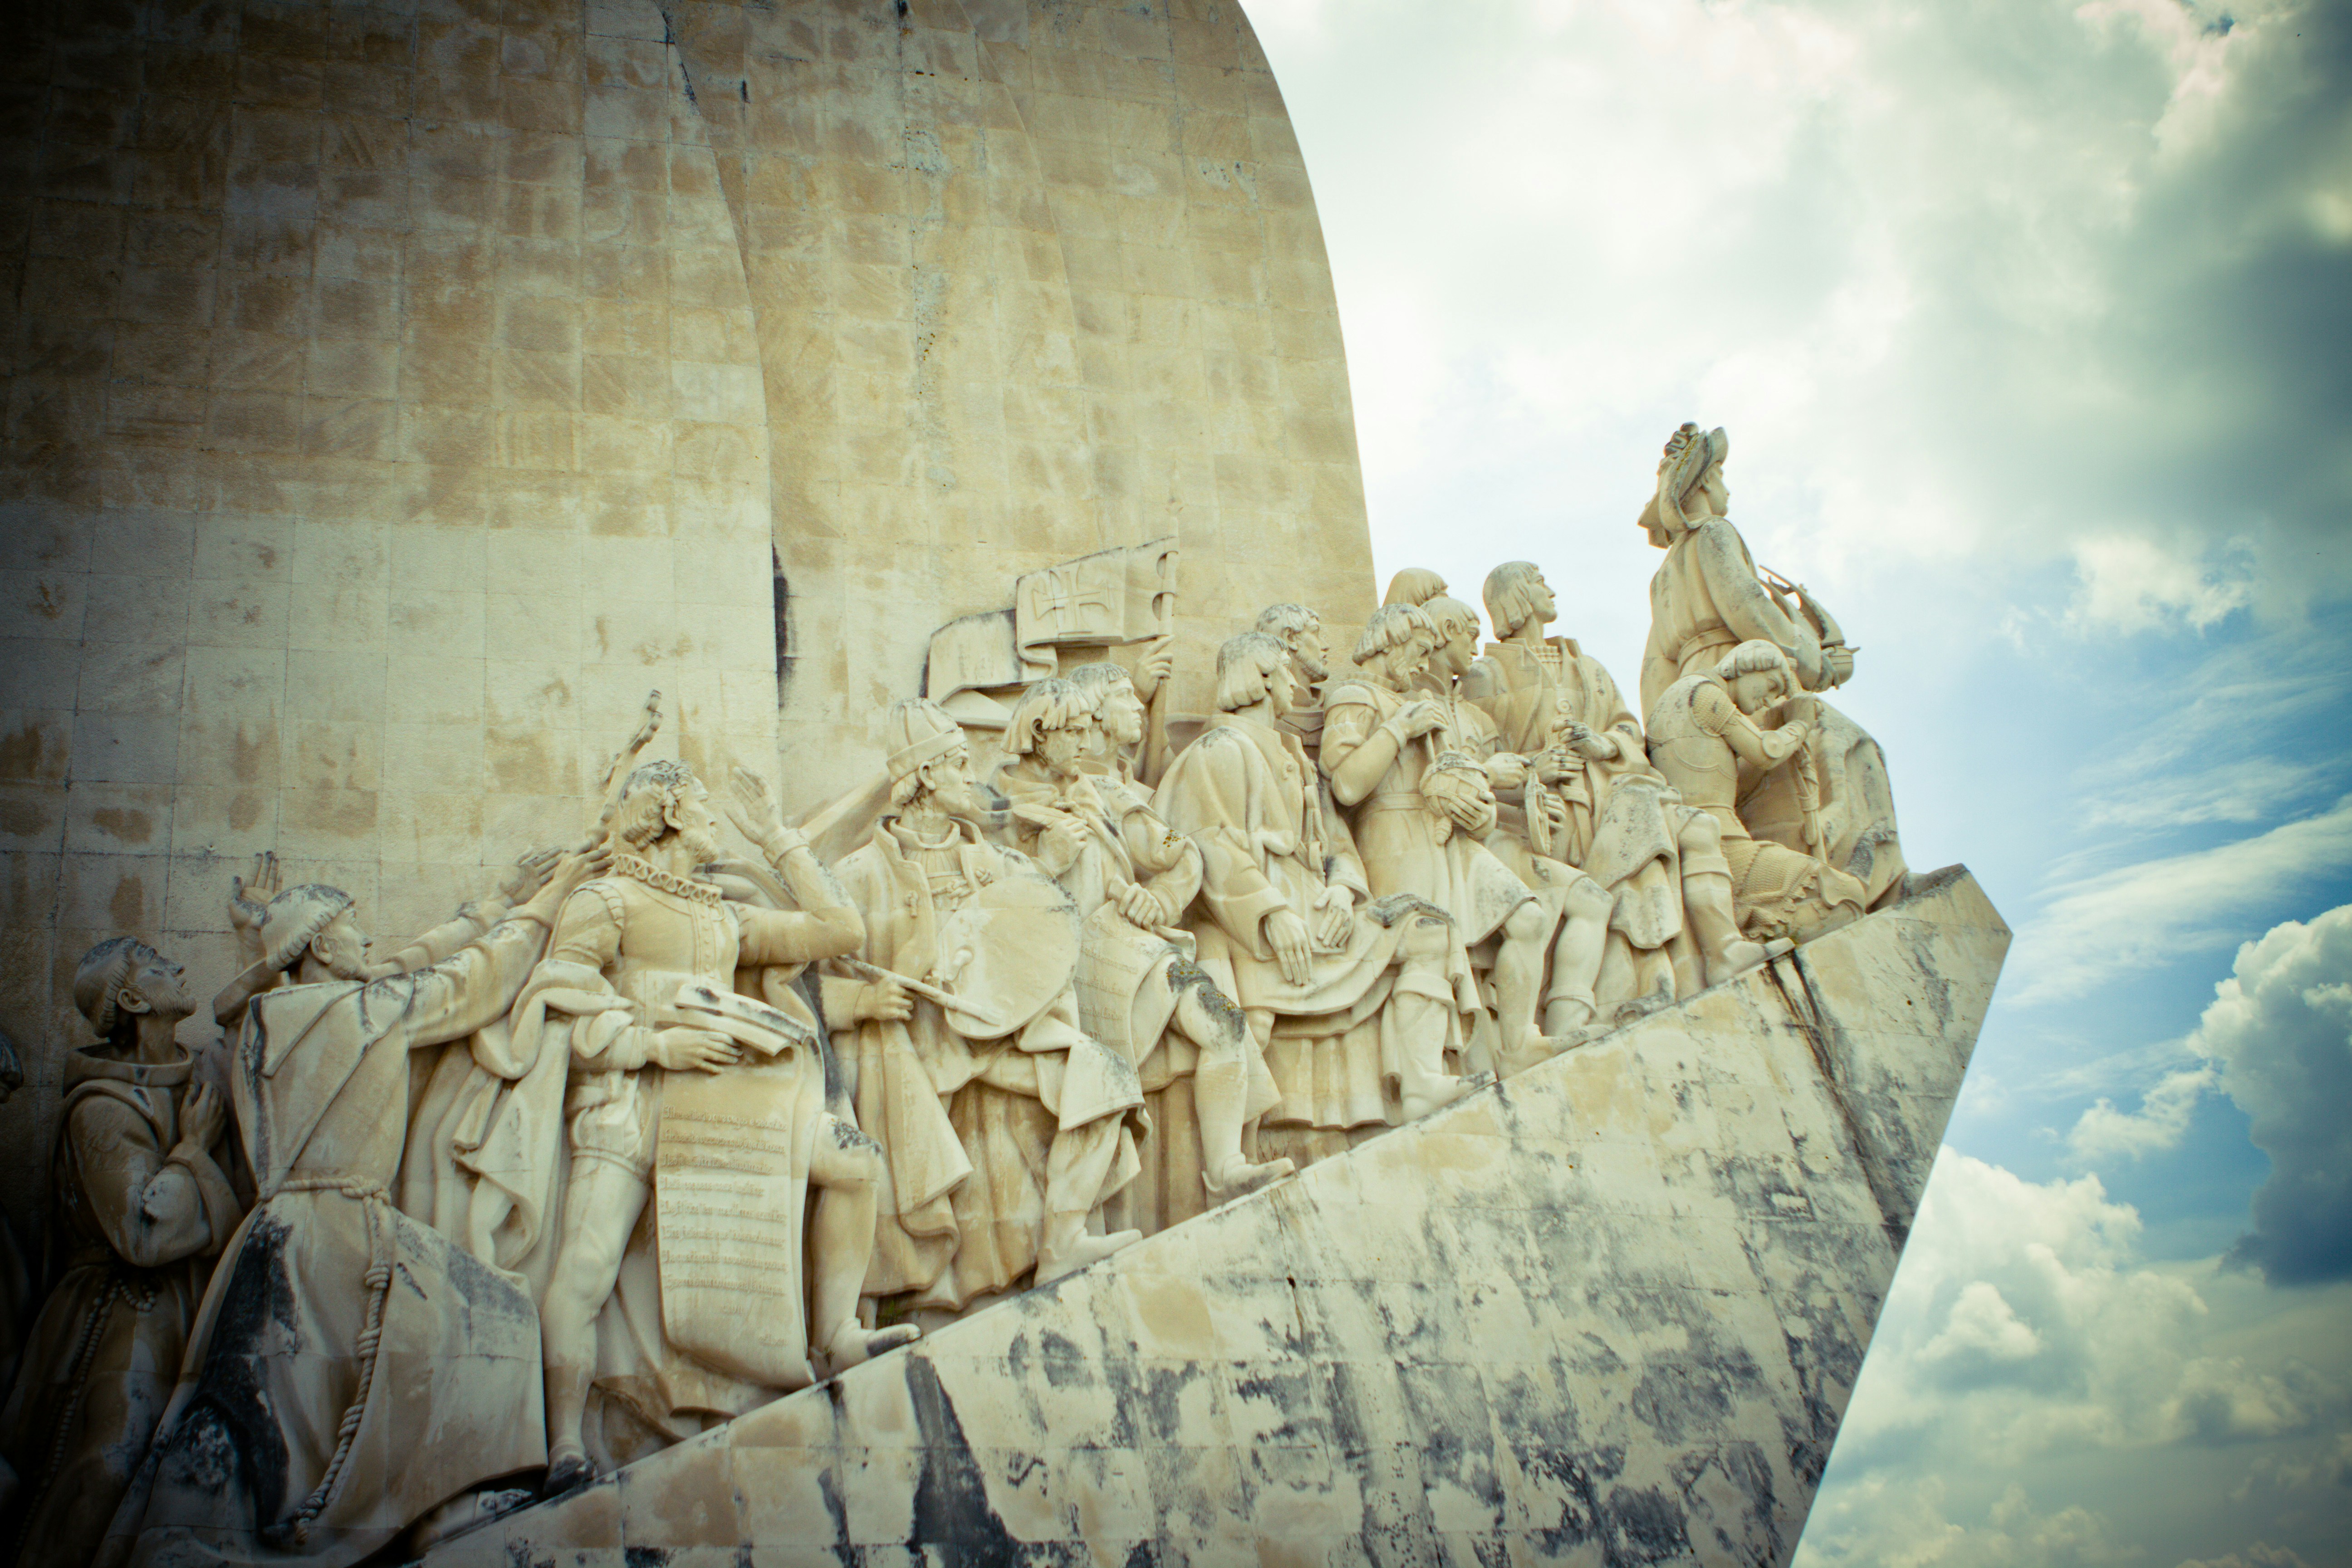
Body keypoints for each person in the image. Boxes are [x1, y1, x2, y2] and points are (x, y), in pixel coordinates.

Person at [104, 853, 600, 1568]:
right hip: (343, 1228)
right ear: (321, 946)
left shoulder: (264, 1022)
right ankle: (430, 1507)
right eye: (353, 928)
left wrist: (492, 902)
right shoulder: (368, 1009)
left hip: (272, 1233)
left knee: (277, 1394)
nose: (367, 940)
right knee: (489, 1319)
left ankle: (416, 1502)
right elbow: (475, 980)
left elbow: (372, 970)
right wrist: (548, 900)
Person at [534, 759, 903, 1494]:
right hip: (632, 1099)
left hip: (719, 1106)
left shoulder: (719, 914)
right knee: (584, 1263)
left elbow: (839, 928)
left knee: (855, 1163)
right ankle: (564, 1446)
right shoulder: (607, 900)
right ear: (667, 814)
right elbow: (559, 999)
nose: (712, 820)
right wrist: (650, 1042)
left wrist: (777, 837)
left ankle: (835, 1335)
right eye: (702, 807)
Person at [823, 700, 1147, 1321]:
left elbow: (1037, 937)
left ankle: (1063, 1242)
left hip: (994, 1040)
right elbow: (817, 985)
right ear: (923, 778)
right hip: (918, 1051)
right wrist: (863, 1002)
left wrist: (1052, 868)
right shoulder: (860, 875)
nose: (973, 778)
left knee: (1105, 1079)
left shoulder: (991, 861)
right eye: (959, 765)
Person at [1157, 634, 1475, 1166]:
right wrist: (1273, 914)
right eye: (1284, 672)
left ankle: (1420, 1081)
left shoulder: (1298, 762)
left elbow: (1337, 842)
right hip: (1256, 929)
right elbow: (1207, 842)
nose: (1294, 684)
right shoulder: (1220, 750)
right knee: (1247, 1027)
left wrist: (1341, 888)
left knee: (1430, 931)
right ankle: (1233, 1159)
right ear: (1260, 678)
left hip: (1321, 915)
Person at [996, 678, 1291, 1234]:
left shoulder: (1100, 795)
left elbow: (1183, 855)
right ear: (1039, 735)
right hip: (1058, 973)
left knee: (1225, 1024)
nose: (1089, 741)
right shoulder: (999, 810)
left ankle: (1226, 1167)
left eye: (1090, 727)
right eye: (1075, 731)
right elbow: (984, 910)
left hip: (1126, 949)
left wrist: (1157, 898)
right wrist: (1044, 865)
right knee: (1099, 1089)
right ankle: (1068, 1238)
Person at [0, 941, 242, 1568]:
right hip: (114, 1321)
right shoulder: (102, 1110)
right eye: (160, 969)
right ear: (134, 1001)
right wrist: (191, 1151)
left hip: (187, 1314)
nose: (181, 970)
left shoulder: (195, 1082)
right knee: (107, 1465)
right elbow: (144, 1235)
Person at [1463, 564, 1770, 1004]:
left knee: (1697, 828)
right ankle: (1643, 985)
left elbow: (1628, 730)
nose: (1549, 588)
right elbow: (1476, 759)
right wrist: (1537, 766)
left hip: (1611, 792)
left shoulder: (1590, 668)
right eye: (1537, 581)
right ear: (1515, 597)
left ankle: (1722, 948)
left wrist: (1603, 745)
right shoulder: (1485, 675)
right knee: (1643, 821)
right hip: (1547, 814)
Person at [1637, 423, 1905, 907]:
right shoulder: (1715, 534)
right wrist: (1817, 665)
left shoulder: (1661, 579)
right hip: (1744, 672)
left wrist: (1661, 737)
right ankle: (1849, 887)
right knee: (1850, 749)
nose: (1728, 487)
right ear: (1701, 484)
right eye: (1720, 475)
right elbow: (1750, 608)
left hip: (1690, 690)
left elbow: (1656, 667)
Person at [1320, 605, 1579, 1076]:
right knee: (1429, 946)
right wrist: (1399, 729)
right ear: (1391, 642)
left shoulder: (1419, 702)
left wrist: (1478, 805)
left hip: (1445, 840)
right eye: (1419, 652)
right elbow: (1347, 786)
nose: (1424, 664)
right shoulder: (1354, 697)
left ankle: (1518, 1041)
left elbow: (1447, 784)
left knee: (1528, 918)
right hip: (1392, 837)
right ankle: (1423, 1076)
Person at [1645, 641, 1869, 944]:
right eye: (1772, 685)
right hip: (1724, 846)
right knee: (1847, 895)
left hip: (1707, 837)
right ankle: (1763, 938)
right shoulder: (1706, 695)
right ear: (1749, 665)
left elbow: (1715, 771)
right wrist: (1800, 723)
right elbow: (1766, 751)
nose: (1769, 700)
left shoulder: (1678, 696)